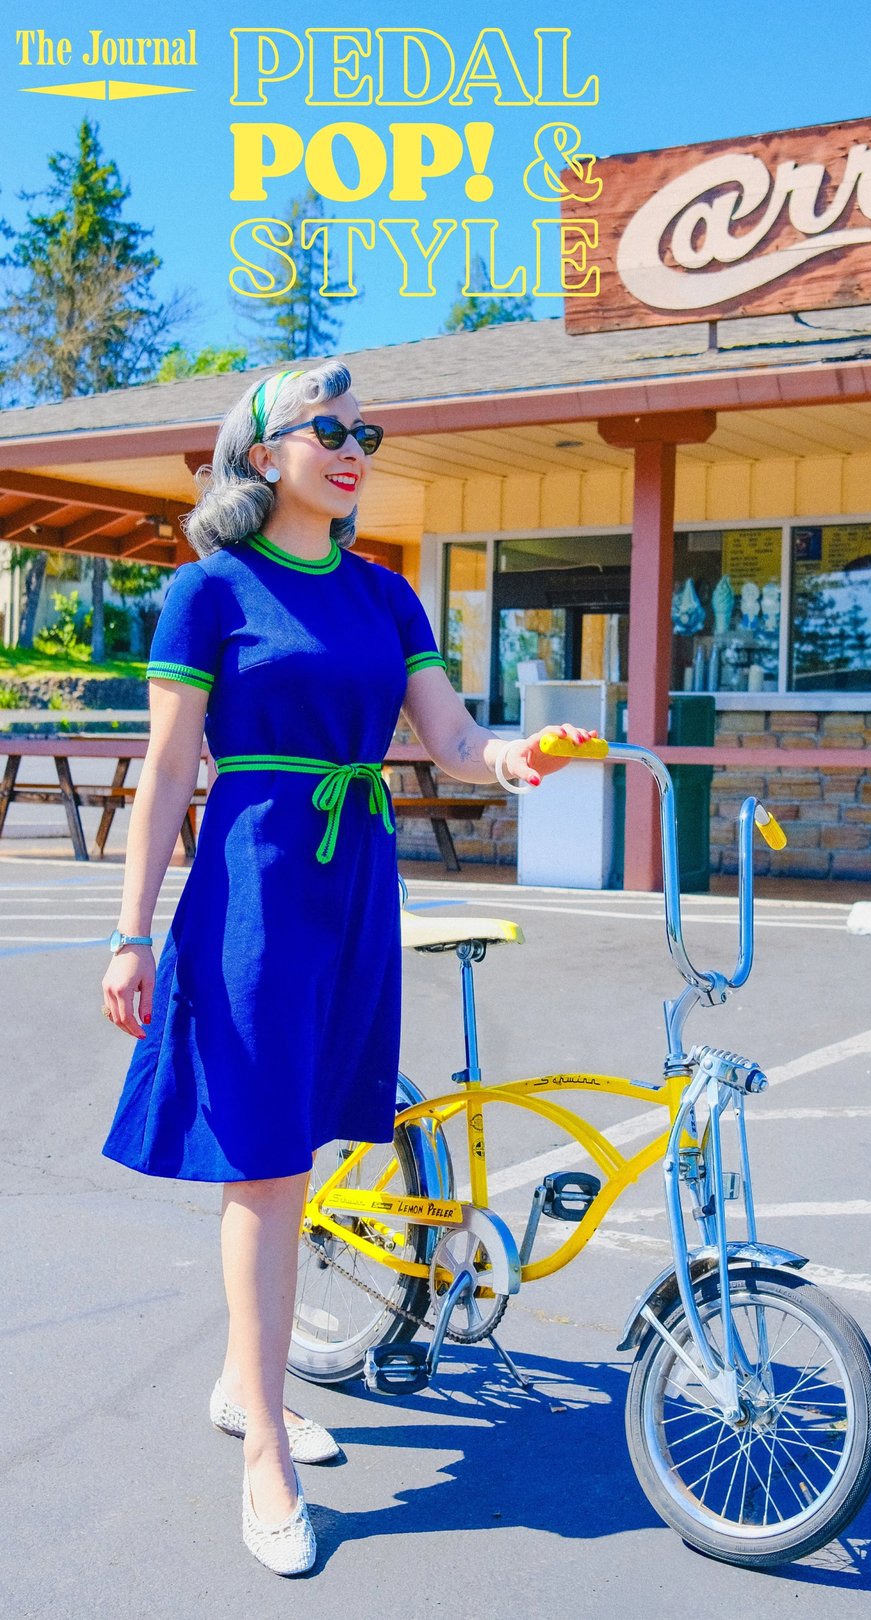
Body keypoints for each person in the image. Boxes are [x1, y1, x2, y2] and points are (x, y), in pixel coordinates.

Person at [99, 360, 598, 1576]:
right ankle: (263, 1444)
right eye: (323, 428)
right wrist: (129, 932)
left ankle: (239, 1377)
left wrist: (525, 756)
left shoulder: (385, 598)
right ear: (259, 455)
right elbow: (167, 777)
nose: (351, 444)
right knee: (266, 1166)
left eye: (362, 430)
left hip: (357, 881)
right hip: (256, 887)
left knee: (314, 1141)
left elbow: (457, 742)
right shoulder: (208, 592)